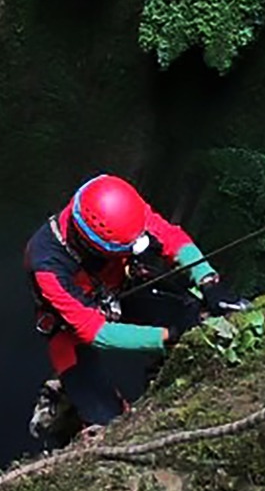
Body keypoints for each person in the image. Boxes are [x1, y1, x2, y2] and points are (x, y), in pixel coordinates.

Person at [23, 174, 245, 445]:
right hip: (71, 329)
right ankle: (67, 402)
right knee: (108, 423)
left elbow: (168, 236)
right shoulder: (47, 264)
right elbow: (96, 332)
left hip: (124, 289)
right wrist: (169, 336)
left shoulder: (120, 210)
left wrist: (208, 281)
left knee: (195, 316)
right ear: (95, 246)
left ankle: (167, 374)